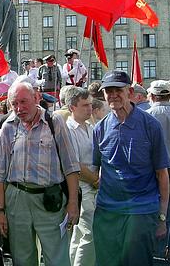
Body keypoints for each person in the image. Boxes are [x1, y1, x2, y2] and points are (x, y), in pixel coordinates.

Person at [0, 81, 80, 266]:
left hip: (50, 200)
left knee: (57, 259)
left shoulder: (54, 122)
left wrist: (73, 203)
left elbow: (71, 166)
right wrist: (1, 211)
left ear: (36, 98)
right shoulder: (8, 127)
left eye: (23, 102)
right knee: (22, 258)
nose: (19, 108)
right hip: (17, 200)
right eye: (14, 104)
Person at [92, 70, 169, 266]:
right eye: (108, 91)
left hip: (141, 211)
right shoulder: (99, 128)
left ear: (130, 91)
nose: (113, 95)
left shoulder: (150, 125)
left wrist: (161, 217)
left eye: (118, 90)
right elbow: (99, 171)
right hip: (108, 212)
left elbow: (162, 174)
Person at [66, 87, 98, 266]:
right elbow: (74, 164)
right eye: (85, 105)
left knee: (79, 236)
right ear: (72, 107)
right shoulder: (68, 130)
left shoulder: (91, 127)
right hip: (80, 190)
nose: (90, 108)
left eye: (91, 105)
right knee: (90, 234)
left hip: (91, 188)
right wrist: (96, 180)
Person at [146, 80, 170, 256]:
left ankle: (155, 248)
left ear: (152, 96)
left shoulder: (147, 115)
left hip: (155, 169)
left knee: (155, 207)